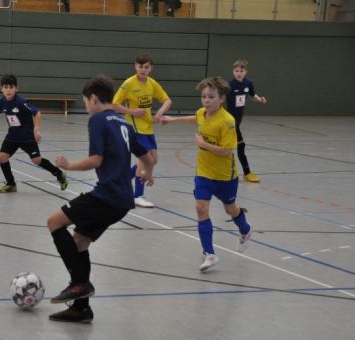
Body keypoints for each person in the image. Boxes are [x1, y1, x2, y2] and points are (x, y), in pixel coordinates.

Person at [47, 75, 154, 323]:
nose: (86, 107)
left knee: (54, 222)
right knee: (79, 242)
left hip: (106, 195)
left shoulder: (97, 120)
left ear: (93, 98)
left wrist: (68, 165)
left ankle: (78, 283)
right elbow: (146, 156)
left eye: (86, 102)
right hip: (123, 200)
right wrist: (148, 173)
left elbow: (96, 160)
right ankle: (81, 309)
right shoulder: (124, 123)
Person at [160, 77, 252, 272]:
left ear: (221, 99)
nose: (206, 100)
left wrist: (204, 145)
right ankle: (209, 253)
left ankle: (245, 228)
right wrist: (172, 119)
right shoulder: (202, 113)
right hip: (204, 173)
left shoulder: (227, 121)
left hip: (225, 175)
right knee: (201, 209)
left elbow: (228, 151)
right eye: (203, 96)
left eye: (211, 97)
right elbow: (195, 118)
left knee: (230, 209)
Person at [0, 74, 68, 193]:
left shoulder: (21, 102)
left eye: (11, 87)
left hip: (27, 137)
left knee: (36, 160)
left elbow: (37, 113)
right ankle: (11, 184)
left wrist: (36, 129)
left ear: (16, 89)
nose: (8, 90)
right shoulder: (1, 101)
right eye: (5, 87)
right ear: (2, 89)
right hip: (12, 136)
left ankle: (59, 173)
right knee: (2, 157)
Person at [113, 53, 172, 208]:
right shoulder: (129, 83)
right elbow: (115, 104)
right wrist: (132, 112)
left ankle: (122, 179)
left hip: (148, 128)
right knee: (144, 160)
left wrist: (159, 113)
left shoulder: (152, 83)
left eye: (146, 67)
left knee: (153, 160)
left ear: (150, 68)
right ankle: (137, 195)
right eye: (140, 66)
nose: (143, 69)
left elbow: (167, 100)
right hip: (134, 128)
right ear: (135, 66)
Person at [226, 59, 267, 183]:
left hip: (238, 120)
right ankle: (247, 172)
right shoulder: (229, 85)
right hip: (230, 122)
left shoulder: (248, 83)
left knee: (229, 146)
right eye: (236, 70)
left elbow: (252, 95)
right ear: (233, 72)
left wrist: (259, 100)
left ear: (245, 72)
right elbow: (220, 97)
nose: (239, 73)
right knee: (240, 145)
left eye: (241, 71)